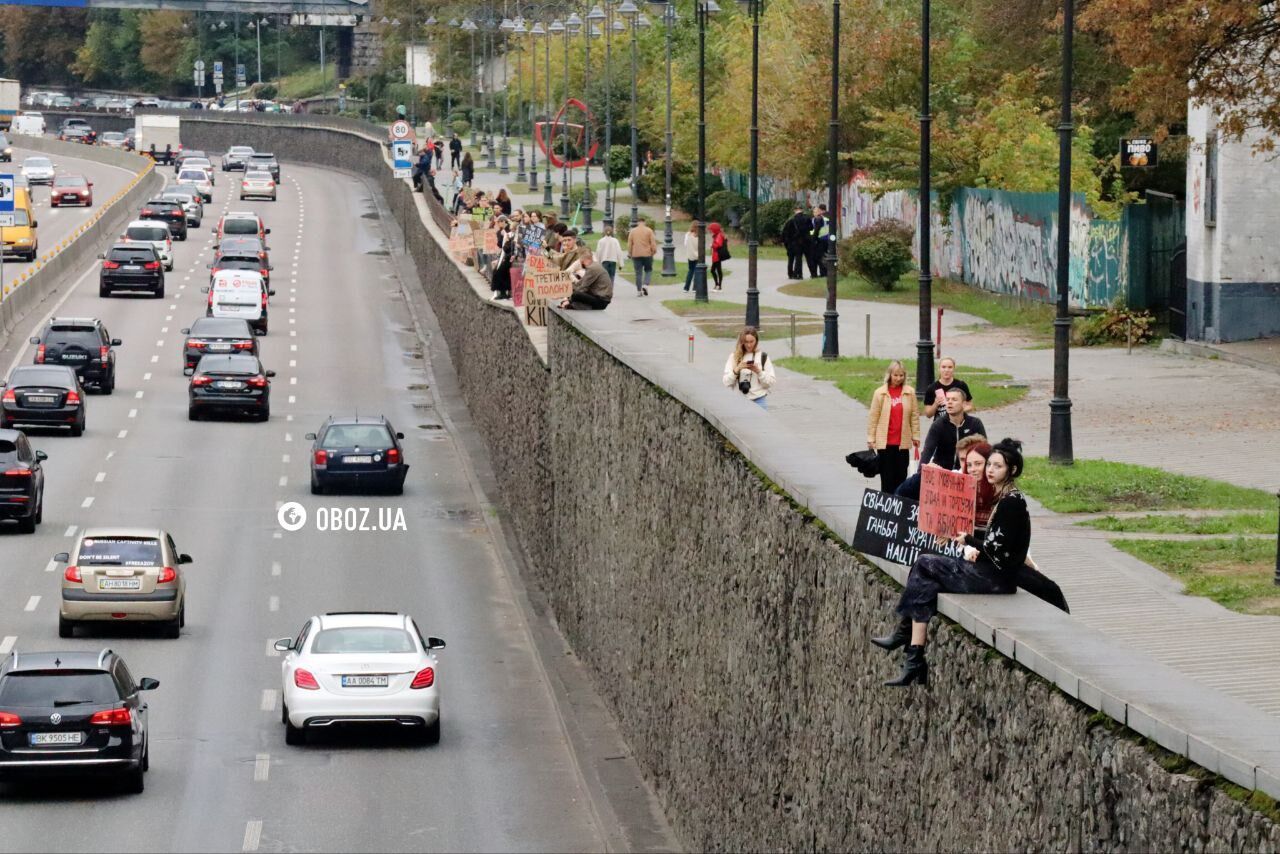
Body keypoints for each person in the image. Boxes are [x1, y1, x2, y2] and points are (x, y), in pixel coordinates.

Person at [872, 438, 1030, 686]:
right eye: (990, 465)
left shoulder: (1011, 503)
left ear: (1012, 471)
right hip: (993, 574)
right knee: (928, 581)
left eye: (996, 466)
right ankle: (915, 656)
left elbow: (999, 551)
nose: (989, 470)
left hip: (996, 579)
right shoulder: (1007, 498)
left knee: (925, 563)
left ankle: (906, 638)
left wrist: (969, 540)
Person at [895, 387, 986, 500]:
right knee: (906, 488)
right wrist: (922, 472)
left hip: (966, 474)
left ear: (963, 404)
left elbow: (985, 451)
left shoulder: (975, 424)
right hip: (942, 474)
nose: (950, 402)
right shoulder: (939, 425)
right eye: (947, 399)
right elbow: (927, 451)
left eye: (954, 399)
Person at [866, 360, 918, 495]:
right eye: (895, 375)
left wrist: (916, 435)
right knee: (887, 478)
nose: (898, 378)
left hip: (902, 443)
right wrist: (871, 438)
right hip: (885, 443)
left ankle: (899, 505)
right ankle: (887, 507)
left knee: (901, 476)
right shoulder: (880, 393)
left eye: (901, 375)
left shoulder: (909, 392)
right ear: (890, 375)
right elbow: (873, 417)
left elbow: (914, 416)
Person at [723, 326, 775, 410]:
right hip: (739, 402)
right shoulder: (734, 357)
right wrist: (737, 370)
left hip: (759, 400)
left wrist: (759, 372)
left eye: (752, 341)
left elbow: (770, 383)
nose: (749, 345)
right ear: (741, 342)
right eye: (746, 342)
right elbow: (726, 382)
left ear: (756, 341)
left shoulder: (763, 356)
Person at [627, 217, 657, 296]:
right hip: (647, 254)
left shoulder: (632, 231)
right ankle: (645, 285)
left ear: (638, 222)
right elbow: (653, 243)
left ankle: (639, 291)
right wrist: (654, 251)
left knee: (638, 273)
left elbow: (630, 243)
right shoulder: (649, 230)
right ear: (644, 222)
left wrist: (629, 253)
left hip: (636, 254)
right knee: (648, 270)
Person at [781, 206, 810, 280]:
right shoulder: (806, 219)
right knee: (798, 259)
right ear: (802, 210)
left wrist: (786, 243)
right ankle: (799, 274)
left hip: (791, 243)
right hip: (801, 242)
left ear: (795, 211)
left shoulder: (790, 221)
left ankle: (790, 274)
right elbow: (811, 228)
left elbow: (785, 233)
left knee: (790, 259)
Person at [807, 204, 830, 278]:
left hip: (818, 240)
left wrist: (813, 239)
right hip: (826, 240)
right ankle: (823, 273)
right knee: (823, 257)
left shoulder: (817, 219)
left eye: (815, 211)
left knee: (816, 258)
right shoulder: (825, 219)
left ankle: (817, 274)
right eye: (814, 212)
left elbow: (815, 230)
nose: (814, 213)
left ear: (819, 212)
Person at [682, 224, 701, 292]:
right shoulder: (700, 235)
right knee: (697, 272)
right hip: (698, 255)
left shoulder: (688, 234)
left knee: (690, 271)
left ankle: (686, 288)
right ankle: (695, 288)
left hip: (690, 255)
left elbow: (685, 244)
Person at [708, 222, 726, 291]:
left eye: (711, 230)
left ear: (714, 230)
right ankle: (717, 284)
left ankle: (718, 285)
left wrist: (712, 245)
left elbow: (718, 245)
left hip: (717, 256)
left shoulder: (719, 236)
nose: (710, 231)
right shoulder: (717, 235)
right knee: (716, 270)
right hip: (715, 256)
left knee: (715, 270)